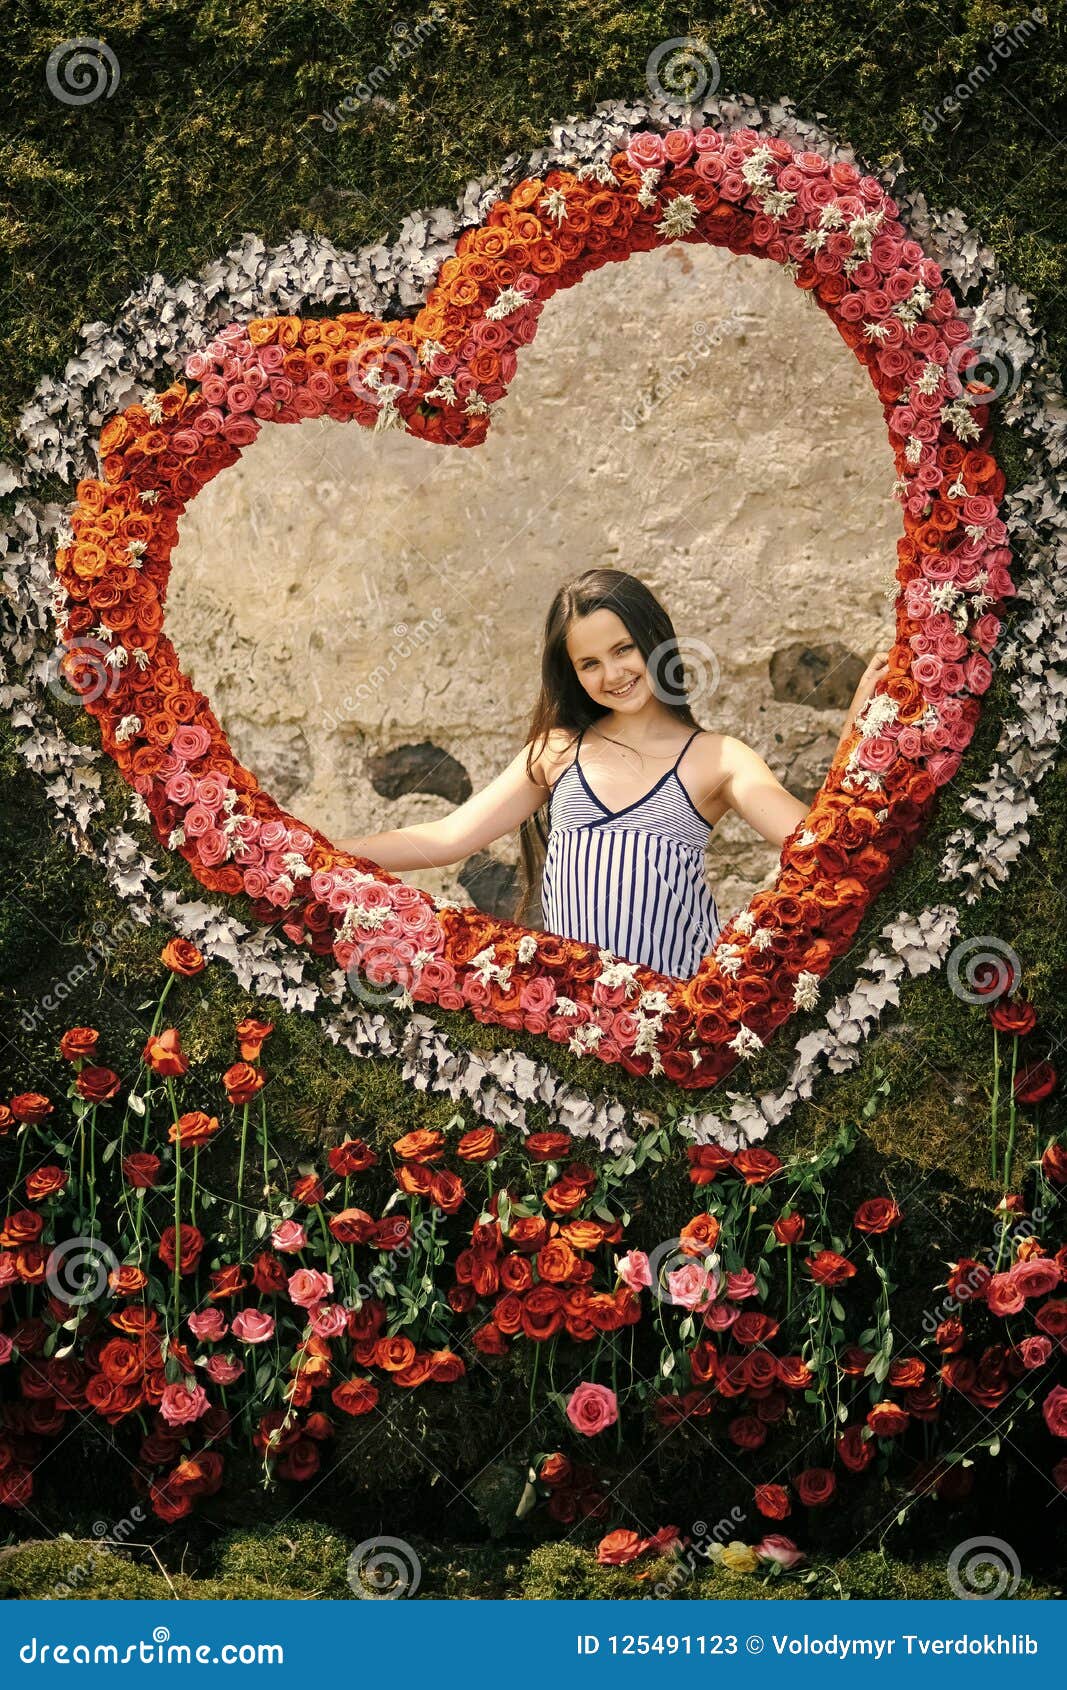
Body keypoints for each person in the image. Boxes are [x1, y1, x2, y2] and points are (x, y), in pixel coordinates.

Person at [336, 568, 889, 979]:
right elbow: (447, 837)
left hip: (675, 1015)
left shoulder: (717, 758)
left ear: (654, 640)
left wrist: (854, 739)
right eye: (590, 663)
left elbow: (814, 841)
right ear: (572, 674)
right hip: (575, 1021)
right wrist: (314, 853)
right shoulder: (557, 752)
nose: (614, 673)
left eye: (624, 649)